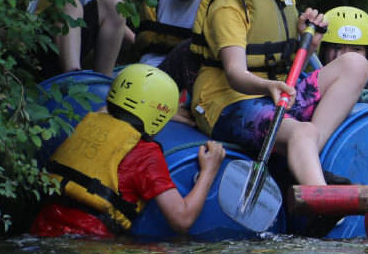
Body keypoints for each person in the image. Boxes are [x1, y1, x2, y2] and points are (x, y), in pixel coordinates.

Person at [187, 0, 368, 187]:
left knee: (355, 64)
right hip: (231, 103)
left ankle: (305, 155)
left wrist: (309, 44)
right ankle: (319, 196)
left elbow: (289, 62)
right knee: (302, 133)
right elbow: (235, 73)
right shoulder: (226, 7)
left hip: (280, 93)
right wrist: (268, 88)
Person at [32, 64, 225, 238]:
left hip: (41, 227)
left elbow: (110, 109)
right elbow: (182, 220)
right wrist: (208, 171)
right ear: (159, 114)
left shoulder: (90, 121)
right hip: (90, 242)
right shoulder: (145, 154)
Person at [318, 5, 368, 103]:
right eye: (337, 48)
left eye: (356, 49)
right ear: (324, 51)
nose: (347, 56)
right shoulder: (307, 90)